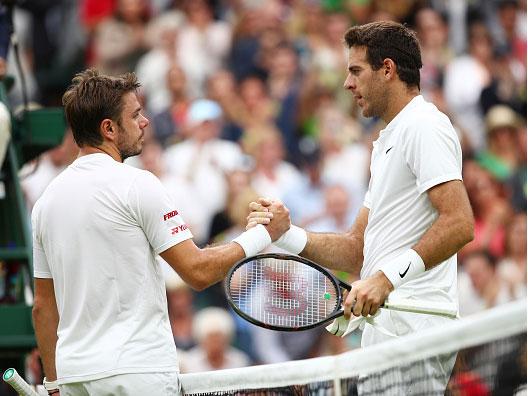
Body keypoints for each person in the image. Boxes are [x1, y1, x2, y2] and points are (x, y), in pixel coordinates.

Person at [248, 21, 474, 395]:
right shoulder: (390, 139)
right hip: (388, 328)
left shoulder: (423, 126)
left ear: (387, 70)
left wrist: (385, 280)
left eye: (355, 71)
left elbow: (460, 223)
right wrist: (285, 235)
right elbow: (358, 249)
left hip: (414, 328)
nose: (346, 84)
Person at [31, 68, 289, 396]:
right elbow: (196, 271)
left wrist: (53, 383)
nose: (146, 121)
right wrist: (263, 234)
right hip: (137, 373)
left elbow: (42, 306)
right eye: (136, 114)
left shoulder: (45, 203)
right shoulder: (139, 184)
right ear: (108, 129)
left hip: (75, 377)